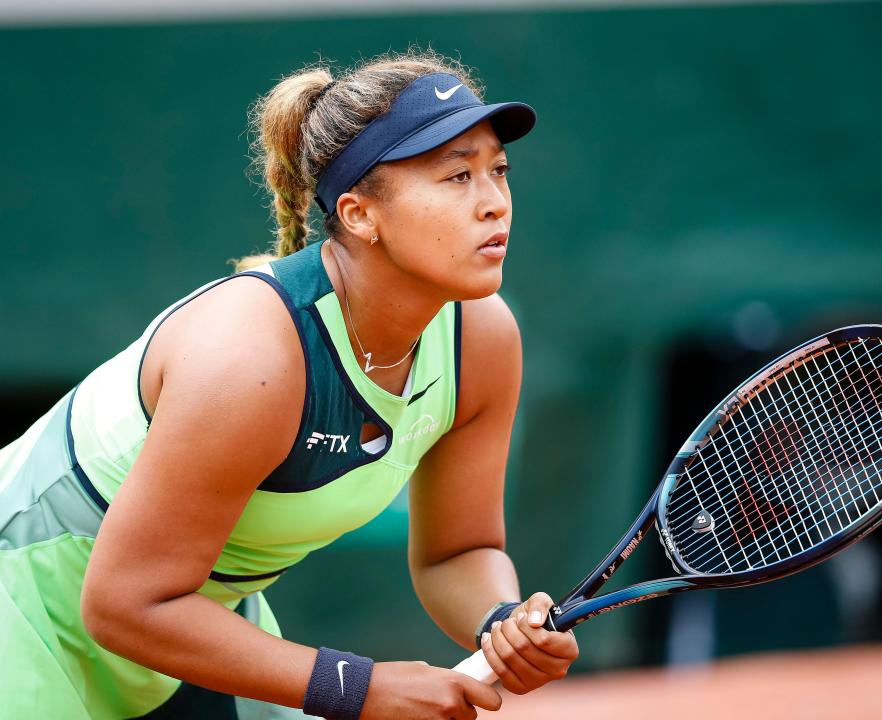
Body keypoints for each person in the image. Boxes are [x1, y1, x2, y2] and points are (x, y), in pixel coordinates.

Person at [0, 49, 579, 719]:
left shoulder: (482, 339)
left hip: (189, 616)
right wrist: (361, 688)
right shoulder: (250, 359)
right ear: (361, 215)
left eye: (497, 171)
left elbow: (459, 551)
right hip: (29, 611)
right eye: (456, 177)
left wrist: (498, 621)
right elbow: (125, 602)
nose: (493, 204)